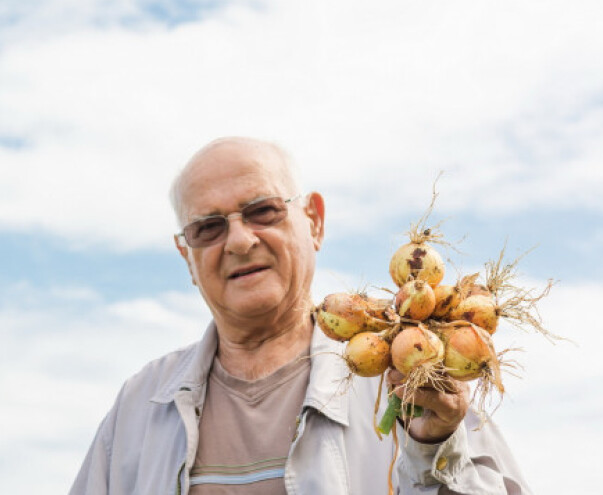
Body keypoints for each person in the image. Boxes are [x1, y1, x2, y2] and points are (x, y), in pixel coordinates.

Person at [69, 137, 530, 494]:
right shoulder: (141, 406)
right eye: (208, 227)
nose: (238, 241)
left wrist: (435, 449)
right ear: (185, 254)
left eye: (262, 211)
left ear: (314, 221)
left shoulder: (412, 378)